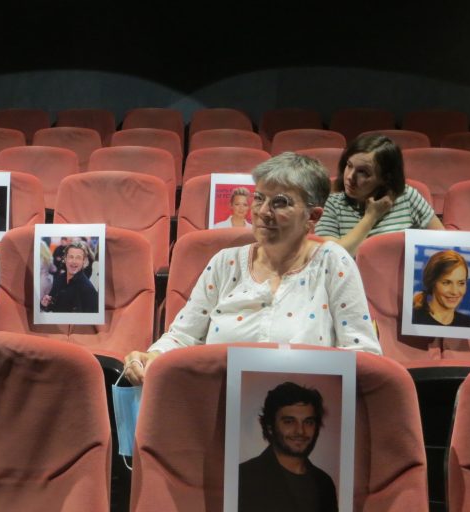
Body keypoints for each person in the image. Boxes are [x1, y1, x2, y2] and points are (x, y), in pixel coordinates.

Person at [124, 152, 381, 385]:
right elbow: (183, 337)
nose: (263, 212)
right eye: (259, 198)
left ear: (312, 217)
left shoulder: (333, 263)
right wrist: (151, 356)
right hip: (218, 405)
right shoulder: (225, 263)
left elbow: (363, 354)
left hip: (304, 411)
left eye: (280, 202)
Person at [315, 134, 443, 257]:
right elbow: (332, 256)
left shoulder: (408, 197)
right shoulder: (332, 204)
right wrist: (371, 217)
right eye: (349, 166)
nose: (350, 177)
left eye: (363, 172)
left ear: (385, 178)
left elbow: (444, 243)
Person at [238, 382, 338, 512]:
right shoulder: (244, 478)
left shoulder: (324, 483)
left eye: (308, 422)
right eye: (289, 422)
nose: (300, 431)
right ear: (270, 427)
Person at [412, 250, 470, 327]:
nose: (454, 291)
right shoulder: (414, 318)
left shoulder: (469, 323)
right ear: (432, 282)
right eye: (446, 283)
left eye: (461, 283)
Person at [40, 240, 99, 313]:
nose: (74, 261)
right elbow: (52, 305)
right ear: (65, 259)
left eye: (78, 258)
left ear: (84, 261)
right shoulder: (59, 279)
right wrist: (45, 304)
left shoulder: (88, 289)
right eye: (71, 257)